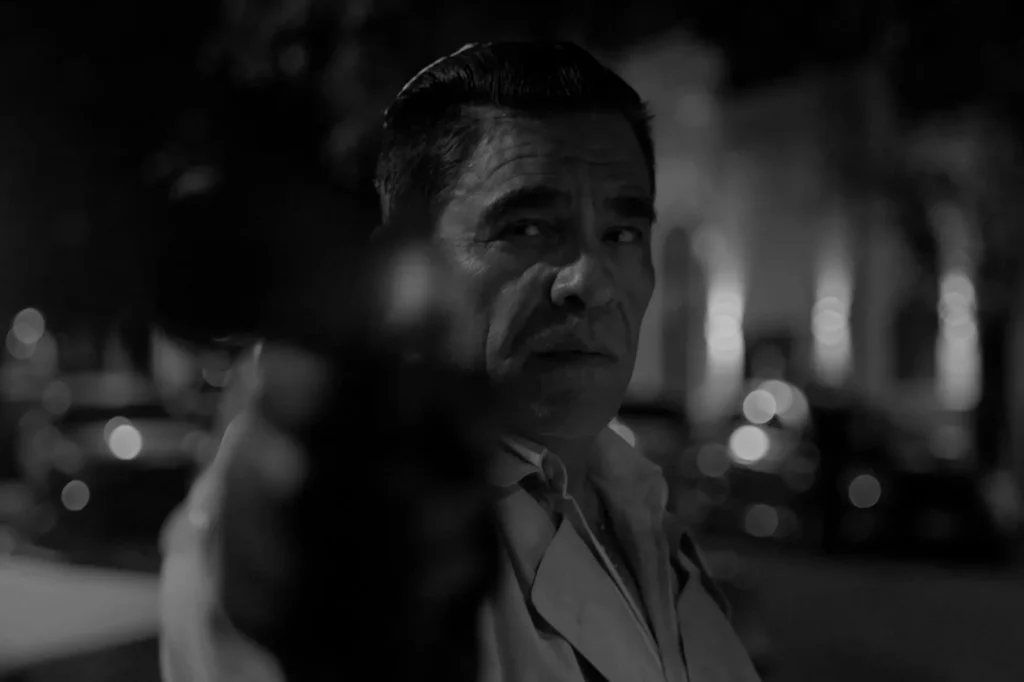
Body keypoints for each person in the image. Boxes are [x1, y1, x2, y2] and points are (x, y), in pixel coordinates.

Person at [374, 41, 762, 682]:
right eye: (527, 228)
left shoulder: (642, 512)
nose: (591, 281)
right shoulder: (366, 539)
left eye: (621, 234)